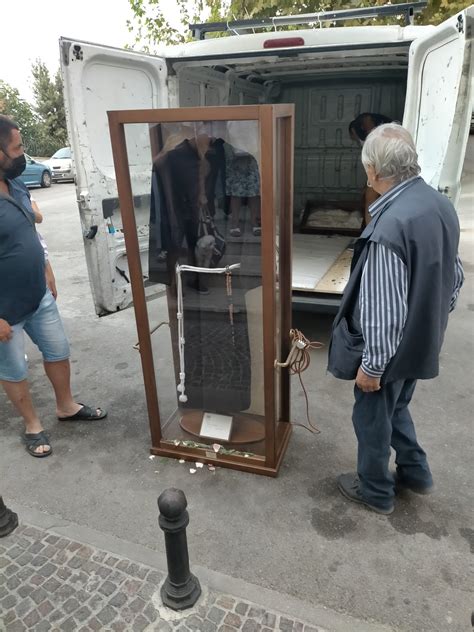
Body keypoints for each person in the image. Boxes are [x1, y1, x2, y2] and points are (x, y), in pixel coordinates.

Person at [328, 123, 464, 515]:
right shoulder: (439, 205)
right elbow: (453, 278)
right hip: (423, 339)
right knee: (398, 406)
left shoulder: (389, 227)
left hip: (391, 350)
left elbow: (384, 312)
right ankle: (416, 473)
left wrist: (372, 367)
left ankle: (374, 491)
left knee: (371, 417)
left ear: (373, 171)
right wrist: (432, 318)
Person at [0, 114, 107, 458]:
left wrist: (46, 268)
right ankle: (32, 424)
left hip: (37, 294)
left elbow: (29, 230)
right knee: (13, 369)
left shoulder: (14, 184)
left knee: (58, 350)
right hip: (5, 312)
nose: (22, 154)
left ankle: (66, 406)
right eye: (16, 148)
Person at [349, 113, 393, 227]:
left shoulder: (367, 127)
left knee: (370, 198)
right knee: (372, 197)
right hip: (383, 165)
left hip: (384, 164)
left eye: (353, 136)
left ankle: (370, 230)